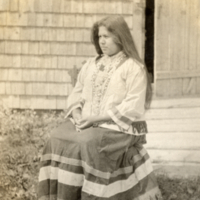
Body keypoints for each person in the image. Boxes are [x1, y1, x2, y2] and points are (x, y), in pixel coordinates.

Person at [38, 15, 162, 200]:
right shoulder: (92, 64)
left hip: (119, 126)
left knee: (87, 143)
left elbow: (133, 105)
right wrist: (78, 113)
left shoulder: (133, 67)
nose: (102, 41)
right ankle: (62, 195)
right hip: (87, 121)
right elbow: (77, 92)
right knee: (55, 138)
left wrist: (96, 119)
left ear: (120, 37)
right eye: (99, 36)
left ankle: (93, 195)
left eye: (107, 36)